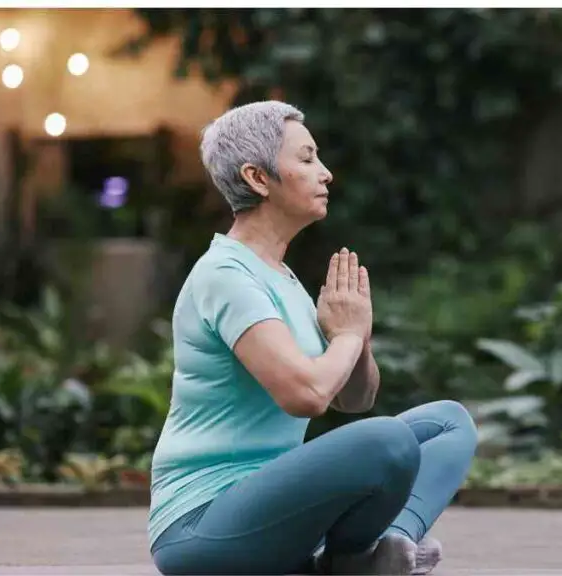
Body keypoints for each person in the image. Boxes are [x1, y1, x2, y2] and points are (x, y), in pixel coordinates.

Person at [147, 100, 478, 575]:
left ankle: (387, 548)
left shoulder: (281, 276)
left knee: (448, 422)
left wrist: (358, 336)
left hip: (272, 510)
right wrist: (344, 335)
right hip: (203, 525)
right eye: (306, 159)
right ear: (258, 178)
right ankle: (346, 564)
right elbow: (305, 394)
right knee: (387, 441)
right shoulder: (225, 275)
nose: (326, 174)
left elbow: (353, 398)